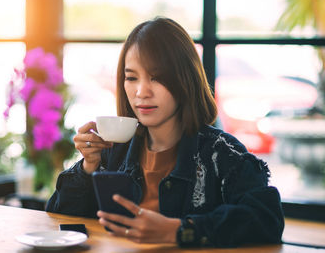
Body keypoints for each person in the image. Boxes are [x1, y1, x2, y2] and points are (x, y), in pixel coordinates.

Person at [46, 17, 284, 247]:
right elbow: (59, 219)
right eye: (131, 78)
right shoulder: (114, 151)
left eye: (156, 78)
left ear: (184, 79)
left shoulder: (222, 154)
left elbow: (266, 220)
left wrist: (178, 231)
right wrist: (88, 167)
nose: (141, 92)